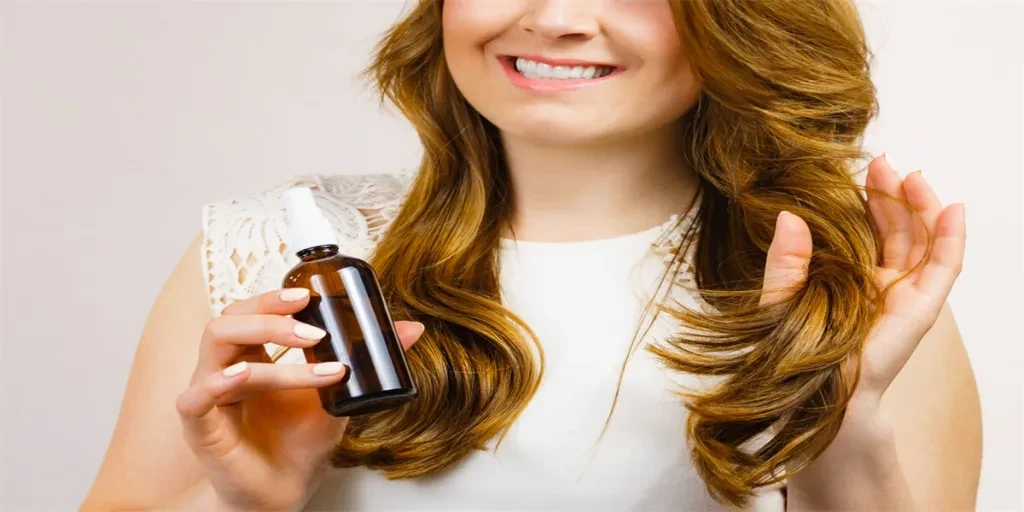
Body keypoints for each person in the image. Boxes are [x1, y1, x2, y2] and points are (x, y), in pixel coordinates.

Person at [82, 0, 983, 510]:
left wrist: (840, 423)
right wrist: (246, 503)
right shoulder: (276, 254)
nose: (553, 18)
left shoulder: (847, 287)